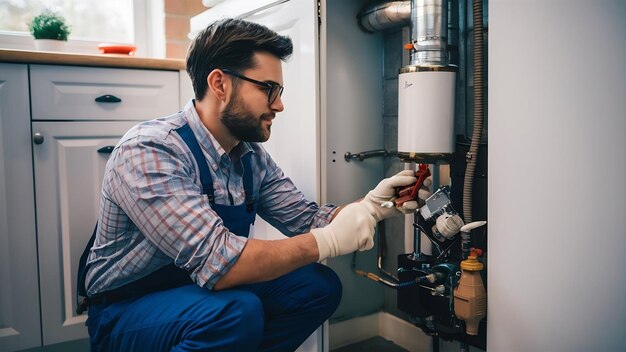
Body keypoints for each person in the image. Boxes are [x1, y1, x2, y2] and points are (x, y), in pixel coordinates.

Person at [84, 18, 428, 351]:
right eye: (269, 89)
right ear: (220, 84)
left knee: (317, 287)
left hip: (201, 291)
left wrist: (374, 207)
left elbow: (307, 221)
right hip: (126, 310)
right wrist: (326, 241)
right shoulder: (151, 150)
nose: (279, 104)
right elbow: (220, 261)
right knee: (235, 313)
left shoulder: (248, 155)